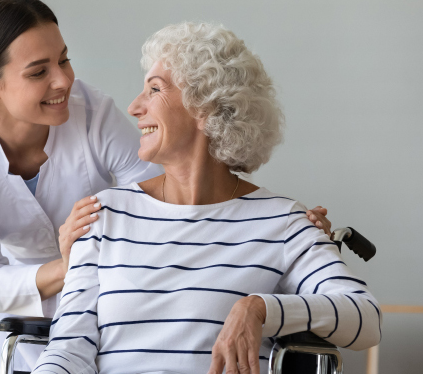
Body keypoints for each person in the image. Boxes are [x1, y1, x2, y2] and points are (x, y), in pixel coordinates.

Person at [0, 0, 332, 373]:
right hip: (13, 316)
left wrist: (282, 233)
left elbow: (171, 198)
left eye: (64, 59)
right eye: (38, 72)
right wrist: (67, 267)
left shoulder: (92, 112)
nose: (64, 80)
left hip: (107, 301)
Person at [33, 22, 380, 374]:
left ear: (207, 107)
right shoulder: (103, 214)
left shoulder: (282, 222)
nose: (135, 107)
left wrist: (261, 309)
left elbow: (365, 319)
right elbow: (68, 350)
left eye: (154, 89)